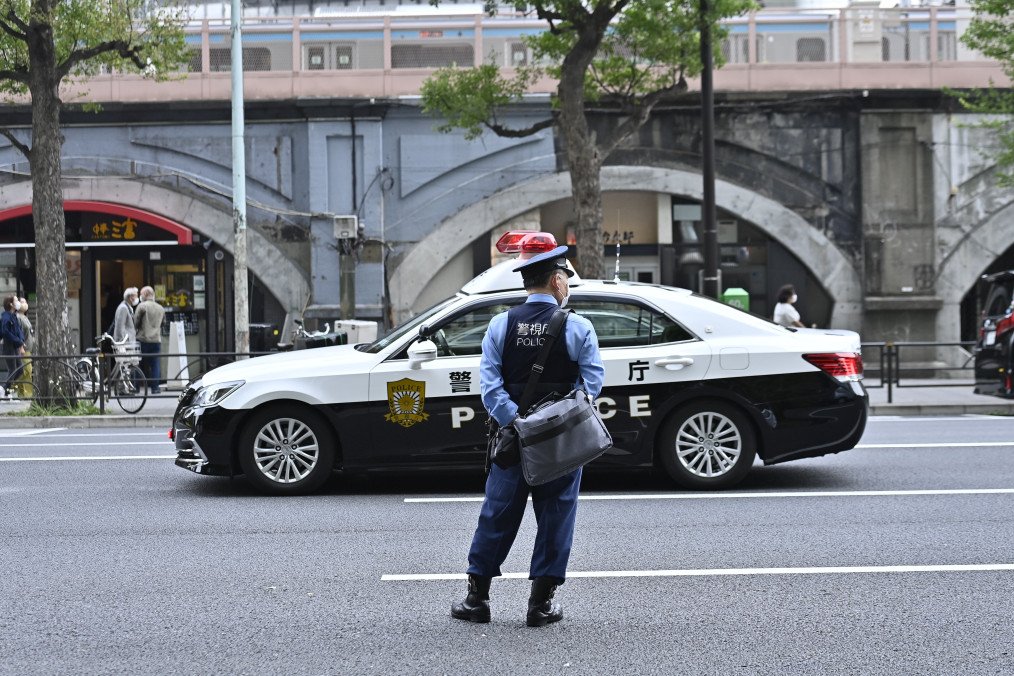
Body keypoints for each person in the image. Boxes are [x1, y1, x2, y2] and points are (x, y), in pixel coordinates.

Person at [451, 245, 604, 627]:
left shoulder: (500, 325)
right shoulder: (578, 326)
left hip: (511, 439)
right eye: (565, 277)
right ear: (556, 279)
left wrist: (517, 423)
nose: (566, 284)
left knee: (497, 514)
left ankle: (477, 600)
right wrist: (552, 421)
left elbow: (489, 389)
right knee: (556, 516)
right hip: (559, 441)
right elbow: (591, 385)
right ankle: (540, 605)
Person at [134, 286, 166, 394]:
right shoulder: (161, 308)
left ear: (146, 294)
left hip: (142, 339)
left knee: (138, 363)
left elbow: (136, 322)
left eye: (141, 294)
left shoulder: (142, 306)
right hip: (156, 340)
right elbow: (163, 323)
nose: (140, 296)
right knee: (155, 364)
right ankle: (155, 388)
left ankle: (136, 388)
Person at [1, 295, 25, 395]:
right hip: (8, 346)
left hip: (15, 345)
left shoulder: (13, 316)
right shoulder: (5, 317)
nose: (18, 302)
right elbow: (5, 332)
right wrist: (18, 341)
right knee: (13, 369)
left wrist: (21, 341)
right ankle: (6, 391)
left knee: (20, 369)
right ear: (11, 304)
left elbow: (18, 330)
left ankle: (6, 389)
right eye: (16, 300)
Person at [14, 297, 33, 398]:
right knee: (26, 370)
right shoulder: (18, 318)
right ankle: (16, 388)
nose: (24, 304)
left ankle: (21, 393)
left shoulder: (24, 317)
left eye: (25, 301)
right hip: (23, 349)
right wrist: (21, 345)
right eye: (22, 302)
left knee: (26, 371)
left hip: (28, 349)